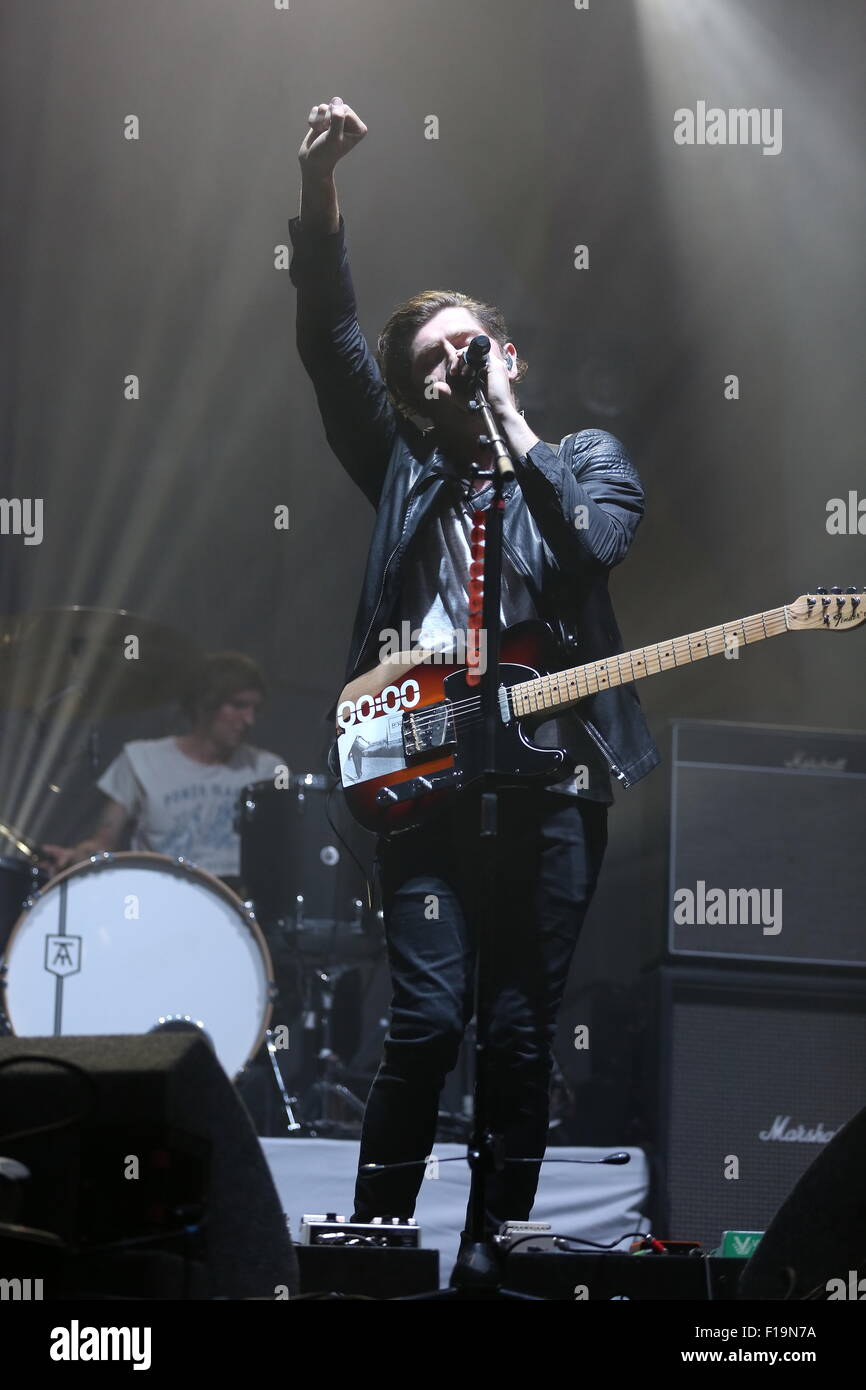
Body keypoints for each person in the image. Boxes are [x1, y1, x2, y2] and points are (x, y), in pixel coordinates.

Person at [290, 98, 660, 1237]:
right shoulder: (403, 467)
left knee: (516, 1031)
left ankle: (496, 1253)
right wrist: (318, 193)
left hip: (551, 789)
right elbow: (328, 336)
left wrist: (515, 426)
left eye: (468, 342)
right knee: (427, 1018)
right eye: (431, 356)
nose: (451, 359)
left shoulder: (585, 458)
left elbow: (590, 549)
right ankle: (375, 1245)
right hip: (426, 785)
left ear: (505, 356)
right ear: (416, 390)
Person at [40, 651, 286, 888]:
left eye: (255, 709)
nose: (249, 720)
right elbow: (103, 844)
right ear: (204, 704)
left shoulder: (267, 770)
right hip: (156, 899)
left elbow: (281, 853)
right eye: (238, 705)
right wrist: (77, 857)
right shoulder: (141, 760)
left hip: (237, 905)